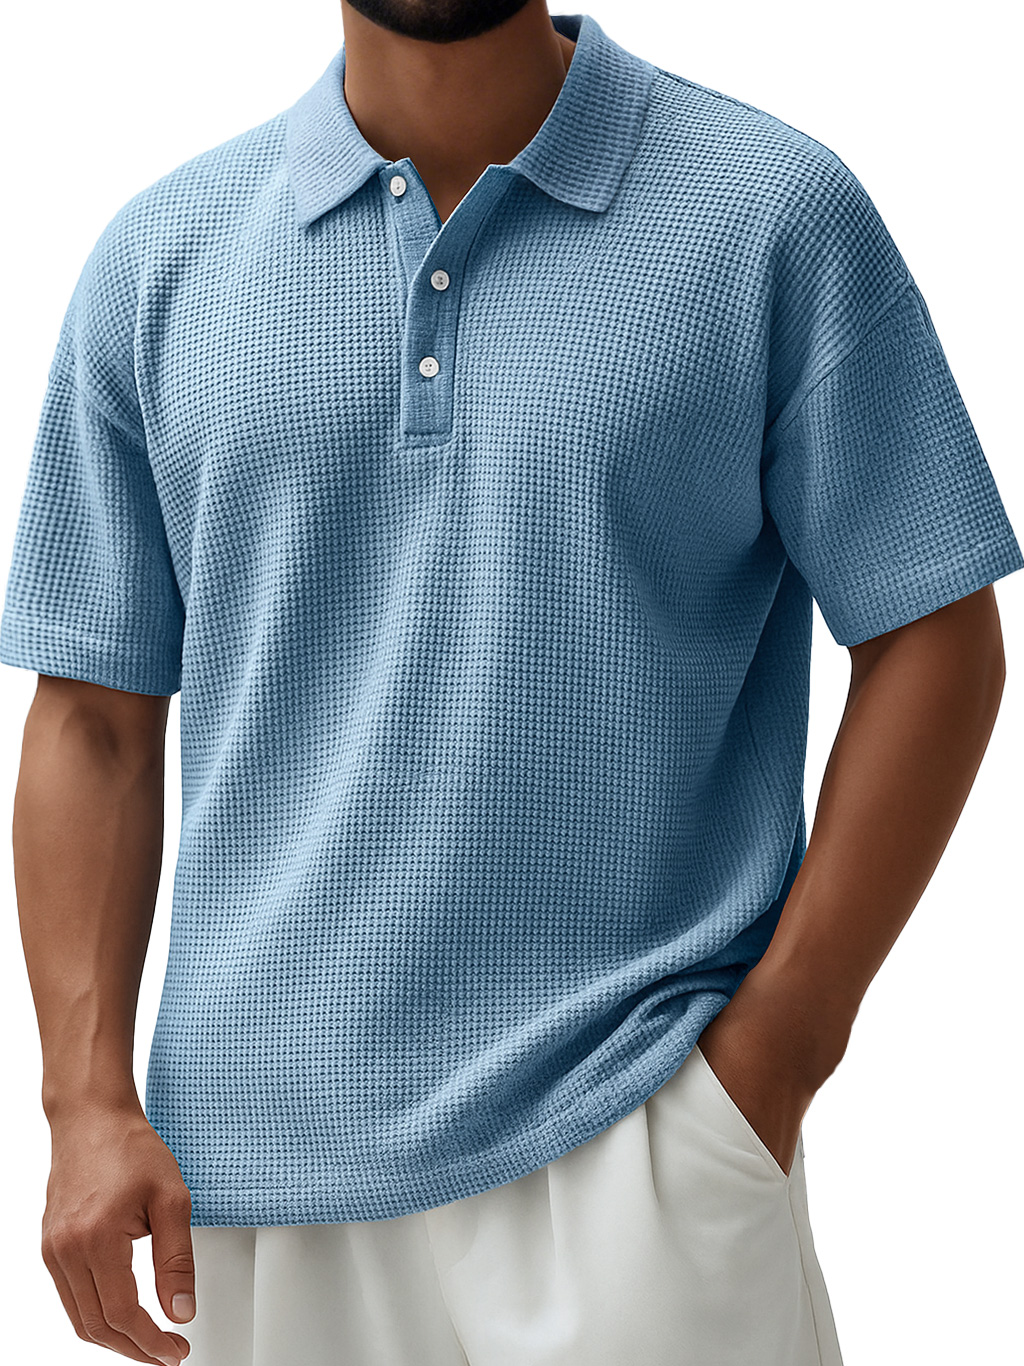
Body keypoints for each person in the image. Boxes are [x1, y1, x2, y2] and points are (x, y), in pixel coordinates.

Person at [2, 1, 1021, 1362]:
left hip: (638, 1126)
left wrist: (779, 1049)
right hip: (251, 1170)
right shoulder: (162, 258)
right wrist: (82, 1103)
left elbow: (933, 630)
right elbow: (92, 717)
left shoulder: (769, 213)